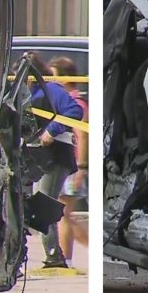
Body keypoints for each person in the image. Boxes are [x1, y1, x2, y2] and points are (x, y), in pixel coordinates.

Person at [25, 52, 84, 269]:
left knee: (44, 204)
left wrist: (53, 129)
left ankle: (54, 255)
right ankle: (53, 254)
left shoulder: (52, 90)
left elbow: (74, 110)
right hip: (39, 157)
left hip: (55, 155)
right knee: (39, 203)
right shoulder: (31, 93)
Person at [48, 56, 89, 267]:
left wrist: (81, 168)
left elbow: (82, 135)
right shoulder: (66, 99)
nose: (51, 81)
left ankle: (66, 259)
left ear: (66, 78)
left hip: (71, 166)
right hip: (69, 164)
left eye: (53, 76)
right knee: (65, 214)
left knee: (63, 214)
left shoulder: (74, 103)